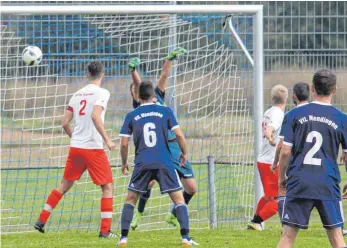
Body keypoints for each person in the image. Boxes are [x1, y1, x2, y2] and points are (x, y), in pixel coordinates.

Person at [34, 61, 117, 238]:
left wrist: (75, 138)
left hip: (76, 147)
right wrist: (108, 140)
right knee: (107, 187)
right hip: (93, 148)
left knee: (64, 185)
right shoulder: (102, 92)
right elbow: (95, 115)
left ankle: (41, 220)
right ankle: (105, 232)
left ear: (87, 74)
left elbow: (64, 122)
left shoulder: (77, 94)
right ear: (102, 74)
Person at [117, 81, 199, 246]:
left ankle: (123, 238)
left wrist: (124, 163)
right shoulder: (165, 111)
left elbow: (124, 144)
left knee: (131, 198)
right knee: (178, 200)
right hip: (164, 161)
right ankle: (185, 238)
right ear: (154, 96)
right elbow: (180, 135)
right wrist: (185, 153)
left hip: (143, 162)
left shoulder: (131, 115)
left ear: (139, 96)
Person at [127, 47, 197, 230]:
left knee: (191, 187)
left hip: (174, 147)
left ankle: (173, 214)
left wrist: (170, 58)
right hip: (158, 148)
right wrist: (133, 70)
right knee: (147, 184)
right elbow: (138, 82)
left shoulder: (157, 95)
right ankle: (138, 214)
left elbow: (164, 75)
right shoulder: (139, 103)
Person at [277, 69, 347, 248]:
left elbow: (285, 152)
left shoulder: (293, 115)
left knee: (287, 237)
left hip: (300, 182)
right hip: (328, 184)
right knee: (337, 238)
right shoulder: (342, 119)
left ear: (312, 88)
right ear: (334, 90)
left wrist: (281, 178)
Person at [248, 84, 288, 231]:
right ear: (287, 98)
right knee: (279, 199)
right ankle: (257, 221)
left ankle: (254, 221)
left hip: (263, 160)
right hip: (271, 162)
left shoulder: (269, 112)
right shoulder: (278, 114)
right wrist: (270, 137)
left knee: (269, 197)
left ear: (272, 98)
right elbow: (270, 129)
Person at [270, 82, 310, 220]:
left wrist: (276, 163)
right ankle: (338, 227)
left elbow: (282, 147)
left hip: (297, 166)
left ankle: (286, 223)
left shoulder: (291, 115)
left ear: (294, 96)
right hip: (319, 168)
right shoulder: (319, 113)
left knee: (284, 190)